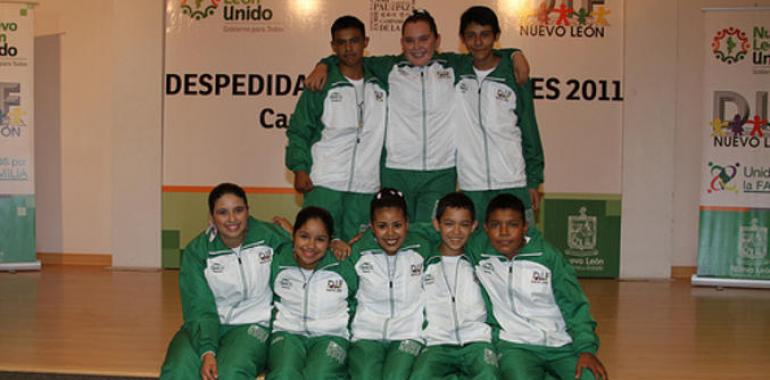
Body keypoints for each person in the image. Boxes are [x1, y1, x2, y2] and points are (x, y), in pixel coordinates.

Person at [306, 9, 530, 224]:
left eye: (424, 39)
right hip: (396, 171)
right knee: (395, 238)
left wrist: (514, 53)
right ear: (402, 42)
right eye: (410, 41)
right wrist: (324, 64)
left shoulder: (455, 66)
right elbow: (349, 57)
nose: (417, 47)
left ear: (437, 40)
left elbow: (486, 54)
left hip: (440, 173)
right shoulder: (387, 68)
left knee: (428, 236)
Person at [466, 194, 608, 380]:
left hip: (561, 343)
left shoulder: (547, 256)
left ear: (525, 227)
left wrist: (586, 349)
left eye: (513, 225)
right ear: (485, 228)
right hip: (515, 344)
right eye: (495, 225)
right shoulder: (478, 250)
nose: (503, 232)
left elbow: (575, 305)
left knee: (591, 377)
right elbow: (443, 232)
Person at [160, 183, 290, 380]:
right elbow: (198, 305)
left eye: (238, 210)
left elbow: (311, 247)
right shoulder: (197, 251)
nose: (232, 219)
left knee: (230, 372)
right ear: (212, 217)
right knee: (178, 370)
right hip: (206, 323)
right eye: (222, 212)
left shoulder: (270, 237)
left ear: (248, 211)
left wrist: (294, 232)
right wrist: (207, 351)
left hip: (254, 323)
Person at [286, 16, 387, 245]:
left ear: (365, 42)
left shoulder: (381, 81)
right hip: (323, 182)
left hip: (366, 186)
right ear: (333, 46)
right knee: (317, 248)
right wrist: (299, 168)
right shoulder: (320, 84)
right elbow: (299, 130)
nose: (348, 48)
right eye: (341, 42)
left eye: (354, 41)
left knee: (357, 250)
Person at [454, 6, 544, 224]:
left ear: (496, 36)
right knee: (475, 253)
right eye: (471, 36)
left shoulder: (513, 75)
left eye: (485, 35)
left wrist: (533, 181)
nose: (478, 42)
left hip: (512, 181)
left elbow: (529, 128)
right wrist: (514, 52)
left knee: (520, 250)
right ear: (462, 39)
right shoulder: (454, 70)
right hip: (471, 185)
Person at [346, 188, 434, 380]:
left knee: (396, 376)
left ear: (407, 224)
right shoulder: (357, 252)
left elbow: (445, 231)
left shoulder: (423, 247)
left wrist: (417, 229)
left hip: (409, 333)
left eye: (397, 225)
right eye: (382, 226)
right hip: (366, 334)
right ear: (371, 226)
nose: (390, 233)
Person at [409, 192, 499, 380]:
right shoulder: (424, 262)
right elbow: (404, 229)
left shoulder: (480, 260)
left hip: (477, 341)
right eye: (449, 224)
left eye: (464, 225)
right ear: (436, 224)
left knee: (489, 375)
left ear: (473, 226)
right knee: (420, 376)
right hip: (437, 343)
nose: (456, 232)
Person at [266, 206, 358, 380]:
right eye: (304, 236)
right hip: (287, 333)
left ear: (330, 242)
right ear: (293, 236)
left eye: (320, 239)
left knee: (319, 375)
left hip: (332, 336)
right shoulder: (279, 261)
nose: (310, 246)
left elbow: (356, 301)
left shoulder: (343, 265)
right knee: (284, 374)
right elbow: (248, 230)